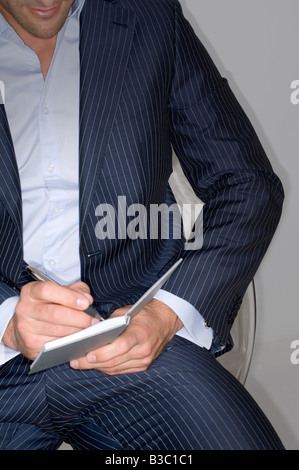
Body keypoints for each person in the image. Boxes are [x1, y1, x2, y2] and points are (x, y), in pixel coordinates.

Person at [0, 0, 284, 450]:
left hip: (129, 336)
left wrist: (165, 313)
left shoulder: (151, 17)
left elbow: (246, 184)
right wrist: (6, 320)